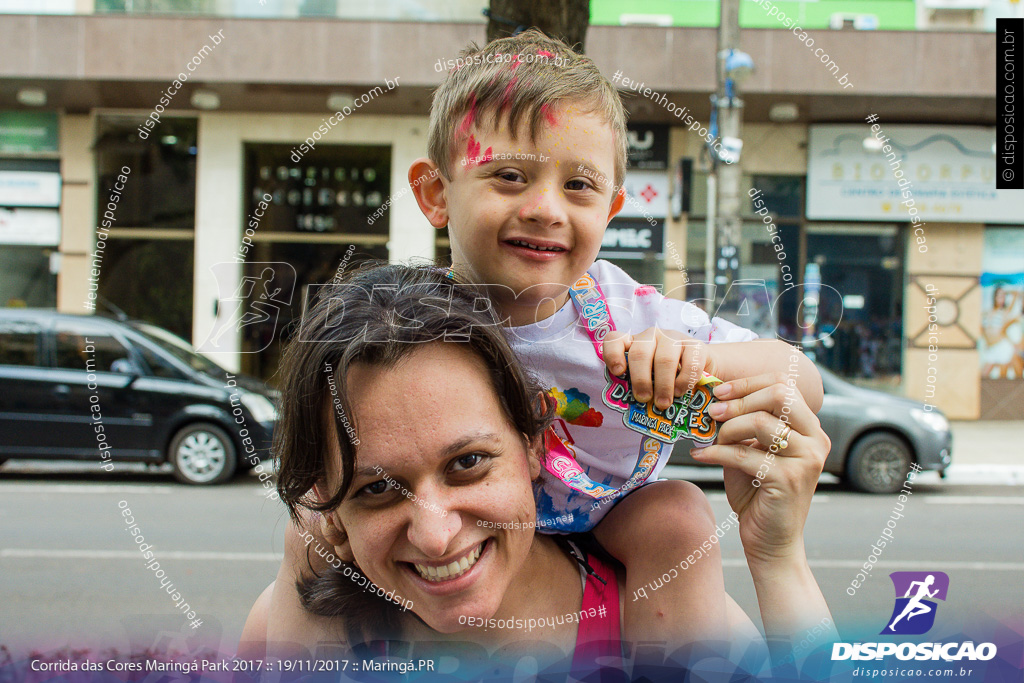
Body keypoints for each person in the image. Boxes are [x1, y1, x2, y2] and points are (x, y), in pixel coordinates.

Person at [406, 28, 824, 646]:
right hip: (461, 527)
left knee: (680, 516)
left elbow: (803, 381)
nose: (547, 207)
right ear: (437, 194)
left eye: (578, 185)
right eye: (510, 176)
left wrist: (694, 359)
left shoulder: (628, 313)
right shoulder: (404, 324)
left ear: (610, 208)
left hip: (611, 519)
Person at [241, 264, 837, 674]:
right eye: (375, 489)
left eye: (468, 464)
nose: (435, 534)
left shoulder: (656, 609)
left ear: (533, 444)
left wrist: (779, 560)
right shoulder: (294, 625)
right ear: (327, 504)